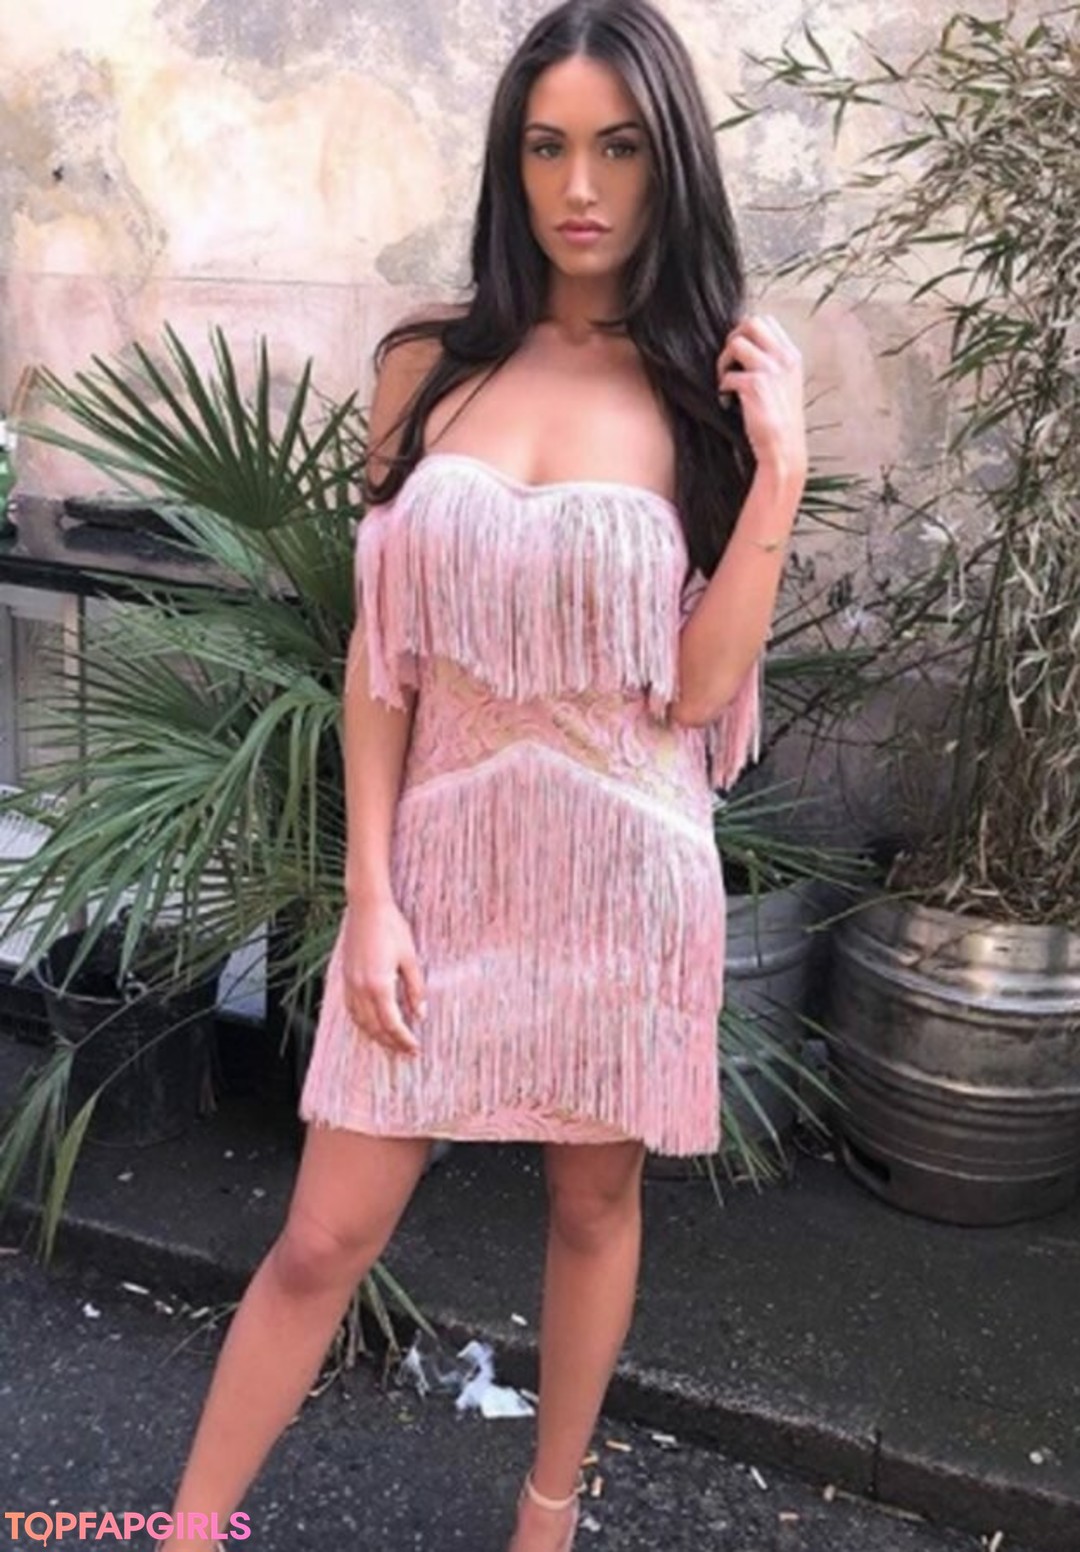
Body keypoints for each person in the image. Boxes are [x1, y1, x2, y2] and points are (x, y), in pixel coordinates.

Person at [156, 1, 806, 1548]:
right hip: (438, 872)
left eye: (620, 148)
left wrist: (781, 467)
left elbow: (697, 692)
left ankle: (546, 1513)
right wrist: (371, 894)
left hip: (625, 872)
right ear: (510, 164)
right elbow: (381, 660)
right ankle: (185, 1532)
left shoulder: (707, 391)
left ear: (671, 164)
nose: (581, 186)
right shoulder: (427, 367)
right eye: (547, 146)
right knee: (323, 1237)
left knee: (590, 1204)